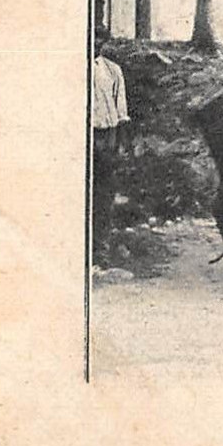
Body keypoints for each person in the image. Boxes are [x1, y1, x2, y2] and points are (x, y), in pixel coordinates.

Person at [90, 26, 130, 266]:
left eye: (100, 39)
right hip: (81, 137)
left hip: (107, 137)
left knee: (104, 195)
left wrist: (121, 144)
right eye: (92, 37)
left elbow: (121, 110)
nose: (95, 42)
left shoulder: (112, 70)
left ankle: (100, 252)